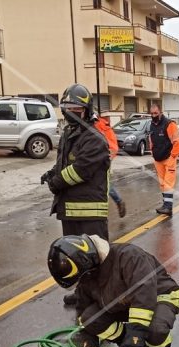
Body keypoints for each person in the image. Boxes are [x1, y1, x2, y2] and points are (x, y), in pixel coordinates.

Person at [47, 234, 179, 347]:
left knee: (155, 329)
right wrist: (90, 346)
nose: (82, 282)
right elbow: (82, 311)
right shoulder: (88, 275)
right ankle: (129, 343)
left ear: (87, 264)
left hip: (160, 295)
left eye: (82, 278)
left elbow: (144, 298)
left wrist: (134, 342)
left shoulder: (129, 256)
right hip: (126, 303)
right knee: (90, 318)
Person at [41, 83, 110, 239]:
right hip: (69, 211)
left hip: (90, 215)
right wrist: (52, 172)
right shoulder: (69, 133)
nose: (70, 112)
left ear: (87, 110)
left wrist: (56, 182)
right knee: (73, 257)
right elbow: (65, 161)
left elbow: (81, 169)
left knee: (94, 258)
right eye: (67, 108)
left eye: (76, 109)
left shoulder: (95, 139)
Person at [148, 104, 179, 216]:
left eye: (155, 113)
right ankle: (165, 204)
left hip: (169, 158)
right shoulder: (152, 125)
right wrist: (153, 153)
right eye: (152, 113)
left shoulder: (169, 124)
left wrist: (173, 156)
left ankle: (168, 207)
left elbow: (177, 142)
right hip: (158, 159)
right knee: (162, 183)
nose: (153, 115)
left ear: (161, 112)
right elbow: (151, 141)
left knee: (168, 183)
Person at [94, 112, 126, 218]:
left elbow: (112, 146)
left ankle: (116, 202)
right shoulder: (98, 125)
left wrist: (106, 158)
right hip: (98, 158)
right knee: (101, 183)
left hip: (102, 159)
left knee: (103, 183)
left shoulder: (100, 126)